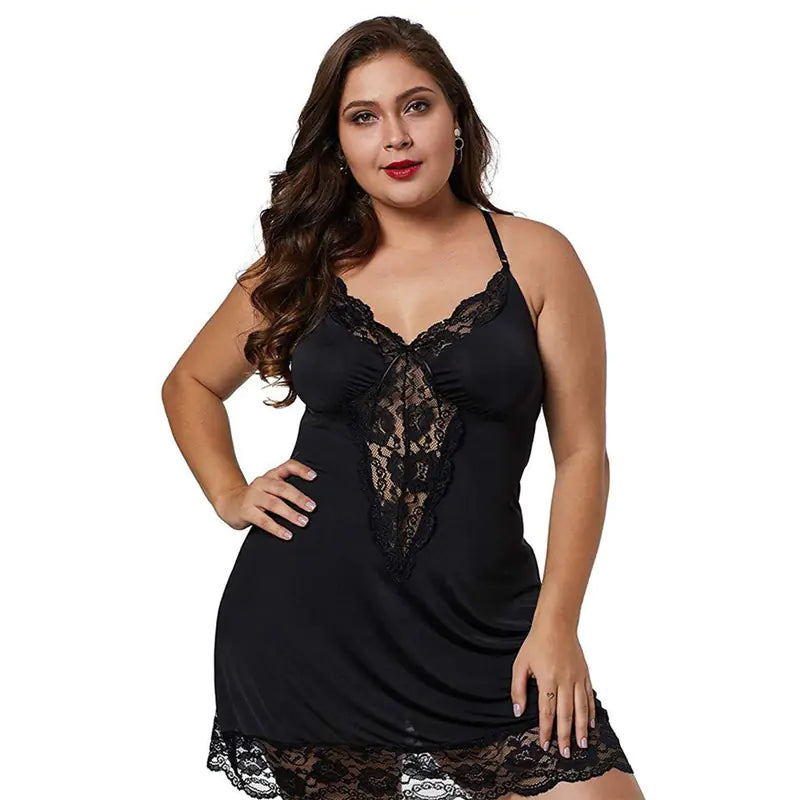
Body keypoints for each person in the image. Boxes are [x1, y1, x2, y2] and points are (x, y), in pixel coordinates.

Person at [162, 15, 646, 800]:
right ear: (339, 144)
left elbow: (583, 454)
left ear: (455, 116)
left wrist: (558, 623)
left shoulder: (537, 258)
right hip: (307, 630)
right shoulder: (303, 264)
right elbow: (189, 383)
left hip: (488, 628)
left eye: (416, 105)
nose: (395, 136)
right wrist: (229, 492)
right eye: (364, 117)